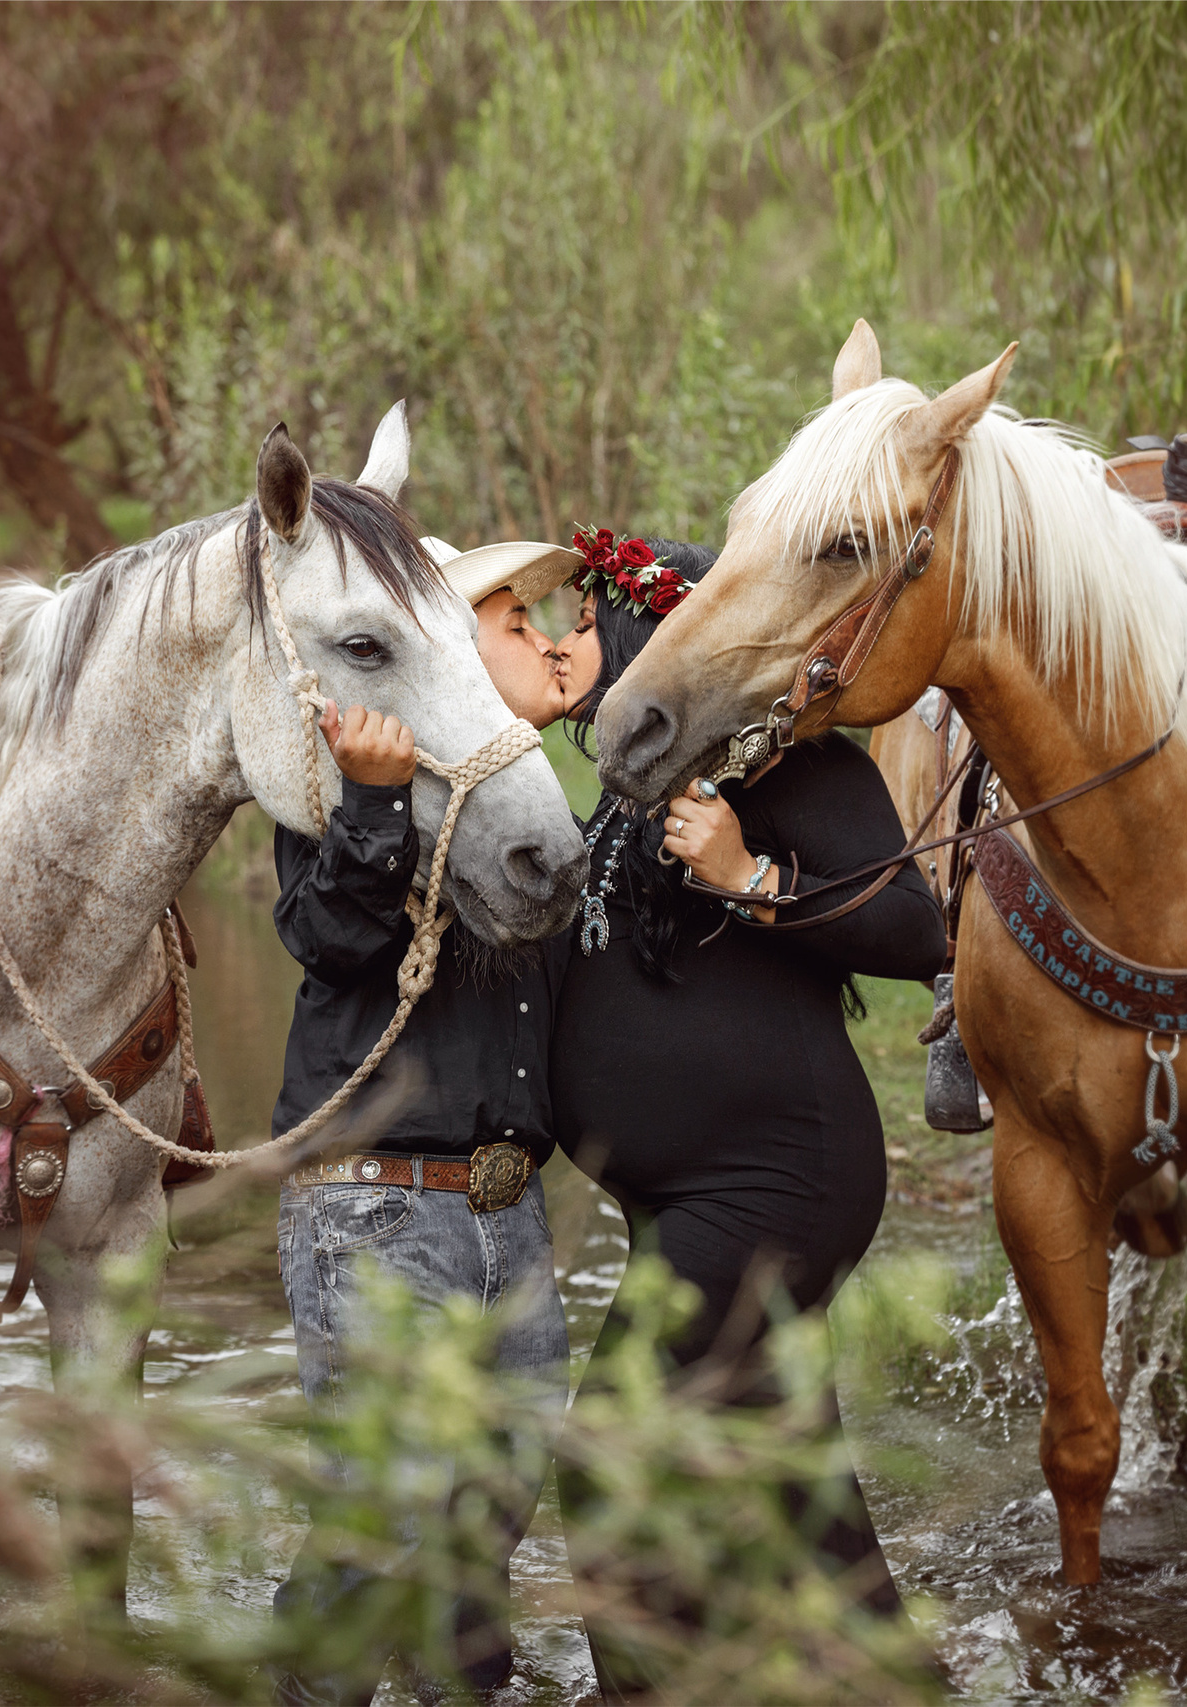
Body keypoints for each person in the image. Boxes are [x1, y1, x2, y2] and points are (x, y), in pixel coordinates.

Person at [545, 531, 947, 1697]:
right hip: (692, 1197)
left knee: (610, 1454)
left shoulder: (796, 773)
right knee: (791, 1482)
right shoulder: (627, 792)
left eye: (581, 622)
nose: (568, 641)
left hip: (775, 1182)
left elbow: (917, 932)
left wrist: (746, 879)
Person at [269, 534, 584, 1706]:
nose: (543, 640)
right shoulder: (332, 777)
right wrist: (374, 797)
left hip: (510, 1214)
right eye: (514, 623)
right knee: (387, 1520)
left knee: (488, 1518)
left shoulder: (532, 808)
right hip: (376, 1204)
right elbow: (330, 942)